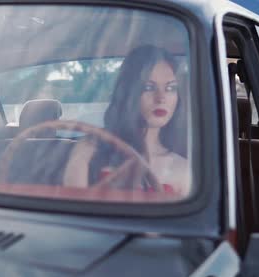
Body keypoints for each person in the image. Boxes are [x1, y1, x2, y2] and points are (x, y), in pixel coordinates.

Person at [63, 45, 191, 195]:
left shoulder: (184, 169)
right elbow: (75, 205)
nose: (161, 98)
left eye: (170, 88)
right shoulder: (92, 147)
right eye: (149, 87)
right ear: (130, 92)